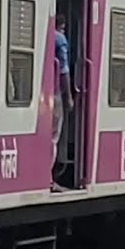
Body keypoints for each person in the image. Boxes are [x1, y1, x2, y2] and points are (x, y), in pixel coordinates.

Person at [51, 14, 73, 192]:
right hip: (55, 93)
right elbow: (64, 70)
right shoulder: (59, 38)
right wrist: (69, 97)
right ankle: (49, 179)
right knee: (53, 137)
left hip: (41, 95)